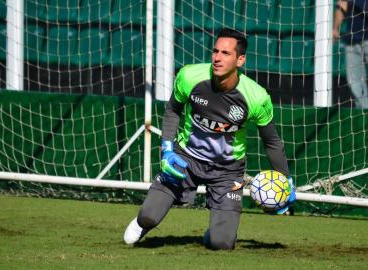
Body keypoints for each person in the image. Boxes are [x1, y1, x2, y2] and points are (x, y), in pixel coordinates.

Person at [123, 28, 296, 250]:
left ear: (240, 60)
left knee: (221, 243)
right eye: (215, 51)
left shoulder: (256, 97)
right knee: (148, 217)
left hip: (227, 171)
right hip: (184, 160)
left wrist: (286, 179)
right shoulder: (189, 76)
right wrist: (167, 150)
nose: (217, 58)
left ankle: (218, 229)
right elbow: (173, 111)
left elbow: (272, 141)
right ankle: (143, 223)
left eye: (225, 53)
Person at [333, 0, 368, 109]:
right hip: (352, 39)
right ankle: (364, 113)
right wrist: (335, 28)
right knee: (355, 81)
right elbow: (342, 4)